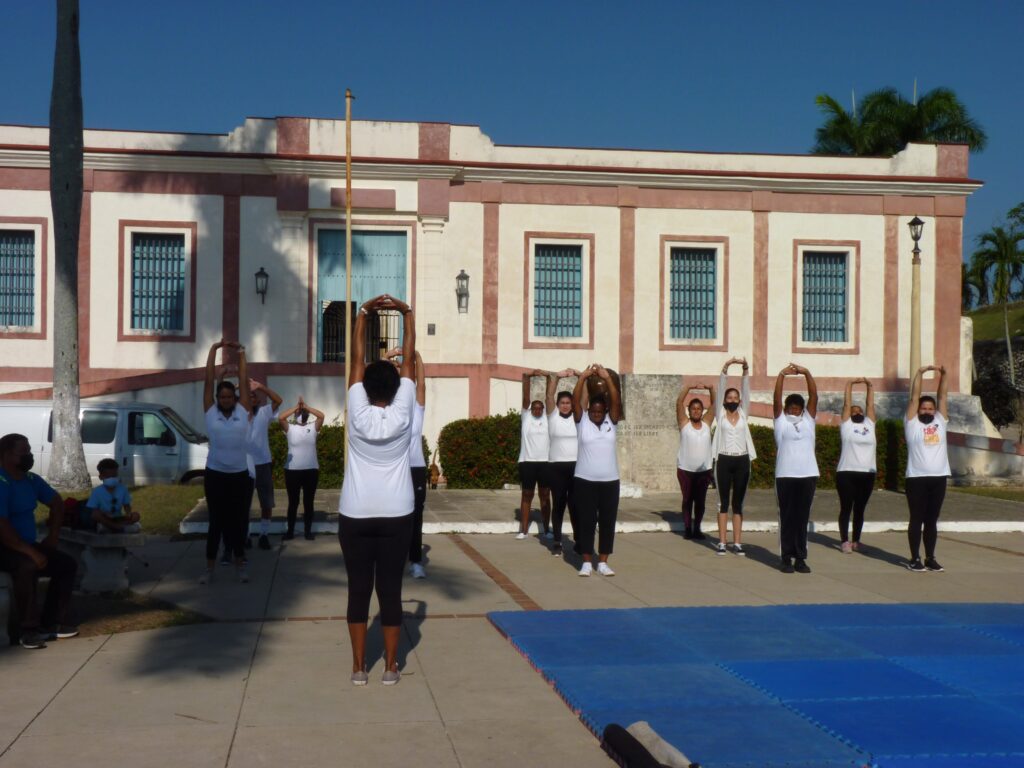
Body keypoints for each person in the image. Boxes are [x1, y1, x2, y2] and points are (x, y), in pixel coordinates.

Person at [339, 293, 416, 686]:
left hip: (355, 513)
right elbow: (409, 363)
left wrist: (364, 314)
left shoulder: (357, 408)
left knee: (358, 591)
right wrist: (406, 314)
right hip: (397, 514)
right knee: (390, 590)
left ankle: (357, 667)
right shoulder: (404, 410)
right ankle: (389, 667)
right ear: (397, 388)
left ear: (365, 389)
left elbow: (355, 361)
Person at [0, 433, 77, 649]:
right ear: (6, 455)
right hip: (5, 547)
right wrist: (32, 552)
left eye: (29, 450)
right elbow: (2, 526)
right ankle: (28, 630)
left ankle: (52, 623)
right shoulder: (1, 482)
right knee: (29, 565)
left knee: (66, 565)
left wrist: (52, 537)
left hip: (24, 545)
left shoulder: (31, 480)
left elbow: (57, 503)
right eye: (23, 452)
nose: (29, 456)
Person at [200, 339, 253, 585]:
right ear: (217, 398)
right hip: (216, 475)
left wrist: (241, 352)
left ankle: (240, 565)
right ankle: (210, 570)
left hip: (239, 476)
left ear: (235, 398)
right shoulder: (211, 412)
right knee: (216, 522)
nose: (225, 400)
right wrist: (214, 350)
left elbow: (243, 379)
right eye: (222, 397)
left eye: (229, 396)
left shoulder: (243, 411)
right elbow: (209, 379)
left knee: (238, 522)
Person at [572, 364, 622, 577]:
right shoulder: (582, 421)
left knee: (607, 521)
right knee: (586, 520)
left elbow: (616, 399)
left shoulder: (612, 421)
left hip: (610, 481)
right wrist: (582, 377)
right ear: (589, 411)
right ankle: (585, 561)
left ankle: (602, 561)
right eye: (593, 411)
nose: (597, 414)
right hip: (584, 480)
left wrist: (607, 378)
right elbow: (576, 401)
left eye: (600, 411)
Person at [773, 363, 819, 574]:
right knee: (787, 517)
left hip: (808, 475)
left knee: (802, 518)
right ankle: (786, 558)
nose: (794, 409)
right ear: (786, 408)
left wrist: (806, 372)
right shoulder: (781, 422)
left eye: (797, 406)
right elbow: (776, 398)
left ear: (802, 408)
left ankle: (801, 558)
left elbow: (813, 395)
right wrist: (782, 374)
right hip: (785, 475)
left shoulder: (808, 421)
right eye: (791, 406)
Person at [904, 364, 950, 573]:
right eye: (924, 408)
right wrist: (920, 374)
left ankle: (930, 557)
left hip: (939, 478)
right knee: (917, 518)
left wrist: (944, 375)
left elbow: (943, 397)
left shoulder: (940, 420)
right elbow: (914, 397)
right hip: (916, 478)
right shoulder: (912, 423)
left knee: (932, 520)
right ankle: (914, 558)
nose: (927, 411)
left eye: (930, 409)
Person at [712, 357, 756, 556]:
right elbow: (720, 388)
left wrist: (745, 370)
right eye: (728, 398)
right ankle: (722, 541)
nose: (731, 400)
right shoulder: (719, 414)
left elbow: (746, 391)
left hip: (742, 460)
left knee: (738, 503)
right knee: (722, 502)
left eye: (734, 398)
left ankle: (737, 542)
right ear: (724, 400)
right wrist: (726, 367)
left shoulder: (744, 413)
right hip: (723, 459)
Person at [837, 378, 877, 553]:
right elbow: (846, 405)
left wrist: (869, 386)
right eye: (853, 411)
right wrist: (849, 385)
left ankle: (856, 540)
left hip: (867, 473)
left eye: (859, 411)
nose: (856, 413)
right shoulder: (846, 426)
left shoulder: (869, 424)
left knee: (860, 508)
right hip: (846, 472)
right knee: (847, 507)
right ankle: (845, 541)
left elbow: (870, 406)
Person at [676, 378, 715, 544]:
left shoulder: (707, 423)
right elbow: (679, 402)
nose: (696, 411)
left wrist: (711, 389)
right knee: (687, 500)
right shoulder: (684, 423)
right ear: (689, 411)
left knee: (700, 501)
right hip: (685, 469)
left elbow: (714, 405)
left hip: (704, 470)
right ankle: (687, 528)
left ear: (702, 411)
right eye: (693, 408)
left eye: (699, 409)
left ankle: (697, 527)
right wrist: (689, 387)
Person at [278, 396, 324, 541]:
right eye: (299, 413)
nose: (301, 415)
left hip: (311, 470)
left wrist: (306, 407)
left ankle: (307, 532)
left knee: (308, 502)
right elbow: (281, 418)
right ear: (295, 415)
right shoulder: (290, 428)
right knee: (293, 502)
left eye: (303, 413)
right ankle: (290, 532)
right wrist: (296, 407)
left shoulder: (313, 427)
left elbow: (321, 416)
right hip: (292, 470)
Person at [245, 379, 282, 551]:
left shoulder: (265, 412)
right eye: (247, 396)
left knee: (266, 502)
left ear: (258, 400)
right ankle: (245, 535)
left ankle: (264, 534)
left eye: (254, 396)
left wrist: (260, 387)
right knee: (243, 503)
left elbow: (278, 400)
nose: (251, 398)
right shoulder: (238, 413)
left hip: (263, 463)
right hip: (244, 464)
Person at [546, 368, 580, 556]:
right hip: (556, 467)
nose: (566, 406)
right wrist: (557, 377)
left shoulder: (578, 419)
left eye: (568, 403)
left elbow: (584, 396)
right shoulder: (553, 418)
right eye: (563, 403)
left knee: (575, 505)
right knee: (558, 504)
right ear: (558, 405)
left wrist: (580, 376)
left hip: (575, 466)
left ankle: (578, 539)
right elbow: (549, 395)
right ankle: (558, 540)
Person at [517, 369, 551, 540]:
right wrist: (529, 376)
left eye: (540, 408)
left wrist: (547, 377)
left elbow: (549, 397)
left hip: (545, 463)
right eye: (534, 408)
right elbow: (525, 398)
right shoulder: (526, 417)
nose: (537, 410)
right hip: (527, 462)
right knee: (527, 495)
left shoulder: (547, 418)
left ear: (543, 409)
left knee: (545, 495)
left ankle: (546, 529)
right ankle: (523, 530)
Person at [408, 351, 428, 578]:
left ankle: (415, 561)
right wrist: (388, 356)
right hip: (394, 469)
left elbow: (421, 383)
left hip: (416, 468)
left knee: (416, 516)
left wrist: (417, 357)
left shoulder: (416, 410)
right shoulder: (388, 407)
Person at [86, 458, 141, 532]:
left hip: (117, 517)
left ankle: (113, 527)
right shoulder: (97, 491)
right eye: (108, 477)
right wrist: (103, 513)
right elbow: (94, 511)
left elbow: (126, 505)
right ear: (101, 477)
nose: (112, 479)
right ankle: (117, 527)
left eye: (114, 476)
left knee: (136, 515)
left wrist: (129, 514)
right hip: (104, 518)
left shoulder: (122, 489)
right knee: (96, 515)